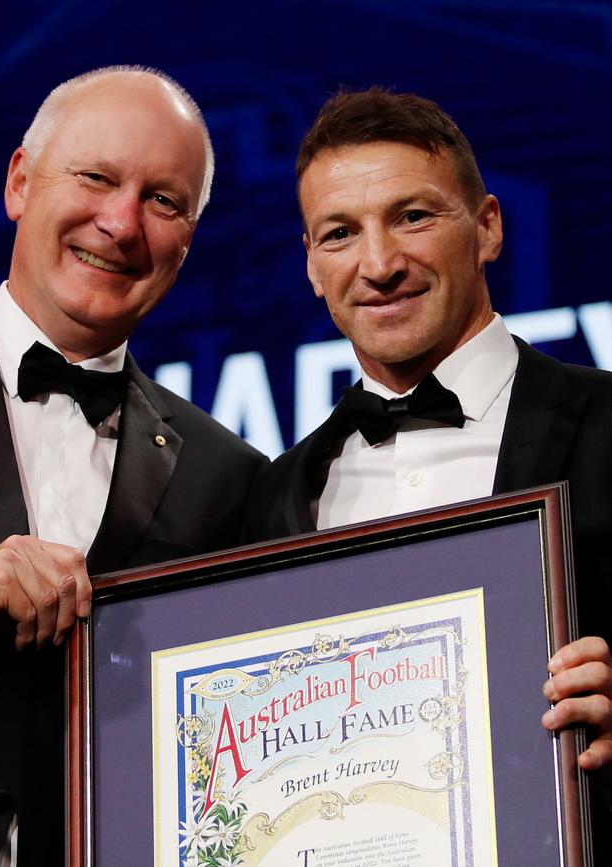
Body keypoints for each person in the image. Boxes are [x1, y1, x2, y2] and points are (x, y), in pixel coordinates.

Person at [244, 88, 612, 856]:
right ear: (312, 266)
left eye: (413, 216)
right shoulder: (273, 496)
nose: (379, 265)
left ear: (487, 228)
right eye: (340, 233)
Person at [0, 66, 266, 866]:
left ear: (189, 239)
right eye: (95, 177)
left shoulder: (226, 474)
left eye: (164, 200)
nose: (122, 223)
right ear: (21, 182)